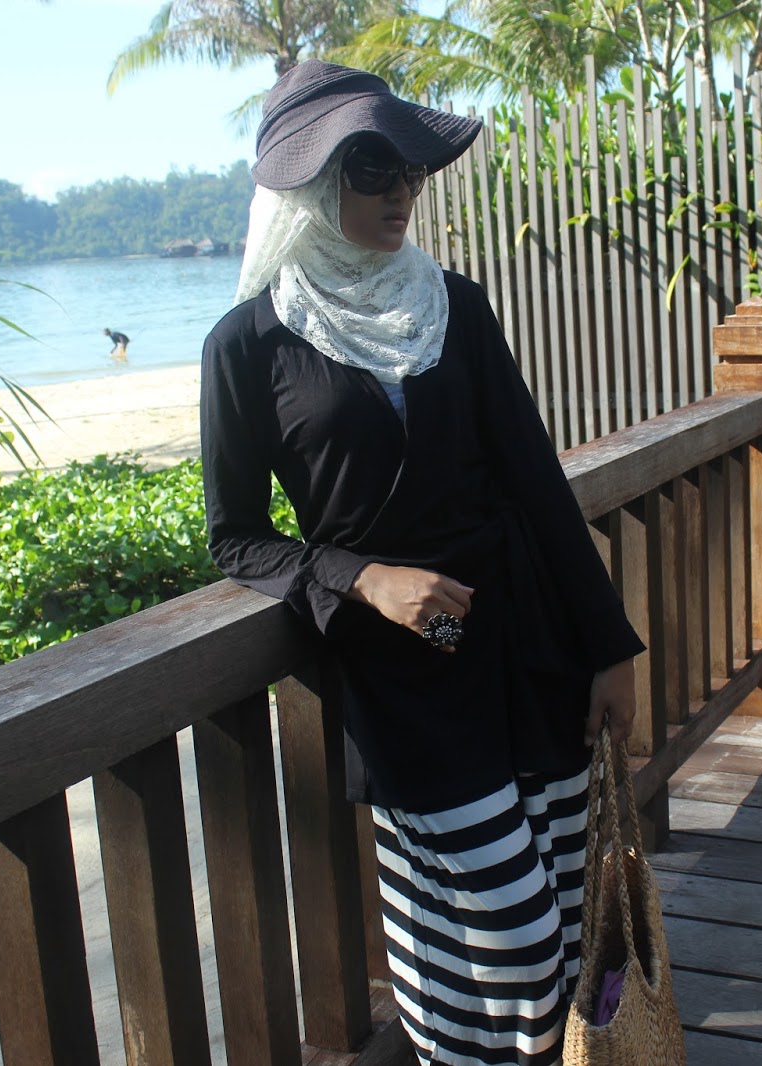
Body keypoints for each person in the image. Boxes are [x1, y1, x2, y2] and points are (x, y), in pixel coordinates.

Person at [200, 60, 644, 1066]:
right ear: (311, 187)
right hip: (408, 672)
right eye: (372, 169)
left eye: (408, 170)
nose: (400, 190)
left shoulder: (454, 304)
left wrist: (608, 647)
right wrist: (359, 576)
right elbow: (236, 535)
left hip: (530, 646)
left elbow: (536, 483)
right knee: (510, 938)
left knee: (564, 927)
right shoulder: (249, 344)